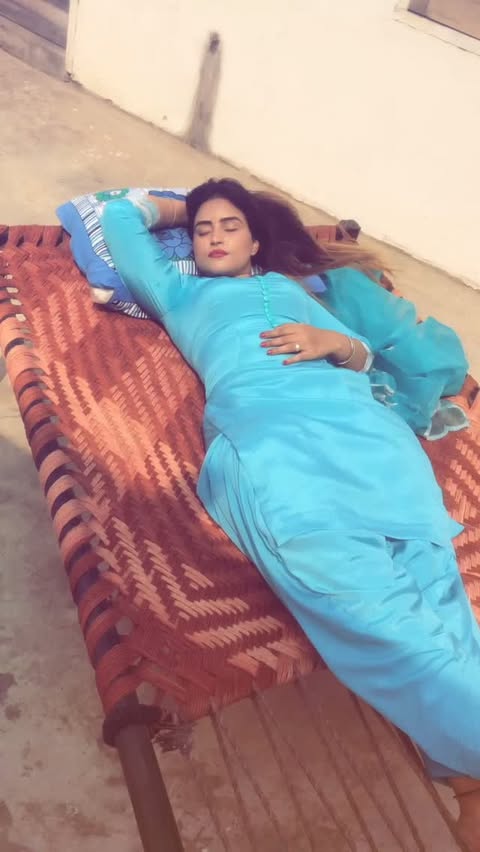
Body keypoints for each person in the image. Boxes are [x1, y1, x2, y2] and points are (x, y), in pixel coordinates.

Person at [102, 178, 480, 849]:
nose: (214, 237)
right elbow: (119, 220)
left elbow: (367, 359)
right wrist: (188, 204)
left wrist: (334, 344)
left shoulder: (300, 290)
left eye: (230, 226)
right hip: (276, 447)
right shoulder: (182, 293)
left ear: (256, 242)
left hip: (375, 444)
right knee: (378, 620)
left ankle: (468, 788)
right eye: (203, 230)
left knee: (443, 609)